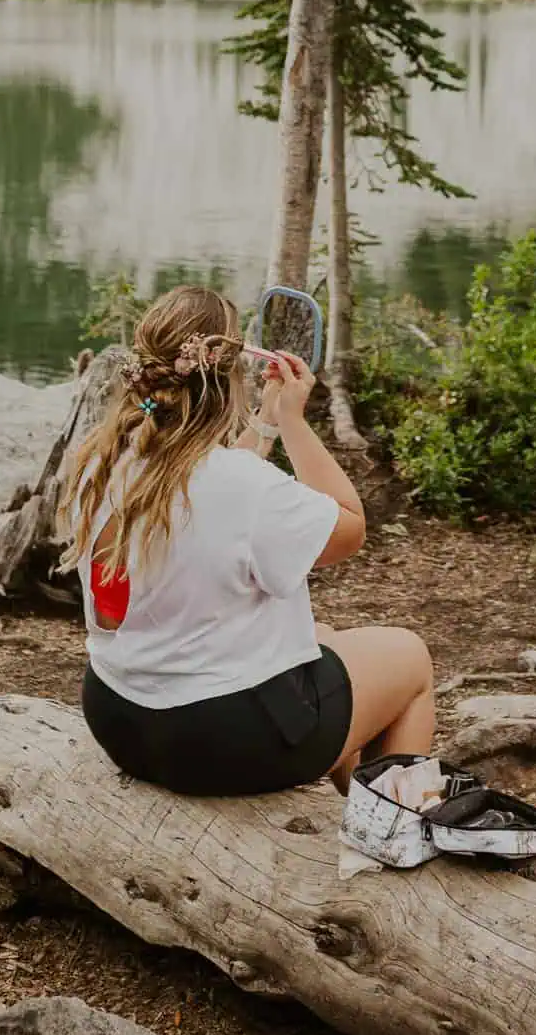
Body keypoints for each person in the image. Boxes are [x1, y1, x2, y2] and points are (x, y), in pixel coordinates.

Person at [58, 284, 435, 797]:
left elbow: (221, 490)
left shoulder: (102, 462)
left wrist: (265, 422)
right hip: (219, 739)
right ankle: (397, 826)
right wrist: (295, 423)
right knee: (410, 658)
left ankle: (357, 804)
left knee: (324, 638)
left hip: (121, 718)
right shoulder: (236, 483)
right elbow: (350, 527)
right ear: (229, 374)